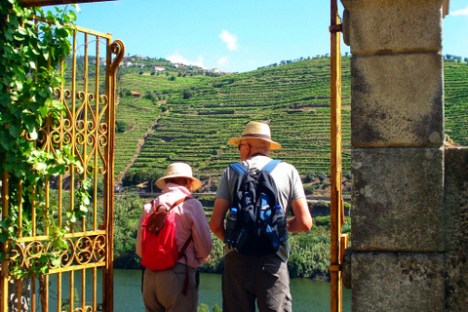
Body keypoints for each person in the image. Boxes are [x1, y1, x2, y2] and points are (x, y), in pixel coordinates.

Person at [209, 121, 313, 312]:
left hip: (236, 262)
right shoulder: (288, 171)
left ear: (247, 146)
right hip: (272, 259)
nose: (239, 151)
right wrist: (280, 227)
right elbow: (305, 223)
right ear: (267, 147)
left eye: (240, 146)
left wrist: (237, 242)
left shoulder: (230, 172)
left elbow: (215, 224)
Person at [136, 162, 212, 312]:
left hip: (149, 278)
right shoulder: (192, 205)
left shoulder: (149, 207)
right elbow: (205, 250)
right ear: (189, 182)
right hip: (178, 277)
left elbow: (140, 250)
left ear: (167, 182)